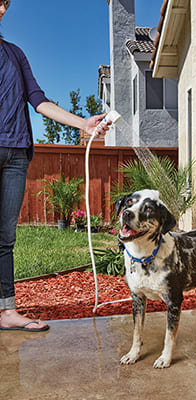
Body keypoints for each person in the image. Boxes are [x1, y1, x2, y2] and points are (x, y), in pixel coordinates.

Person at [0, 0, 110, 332]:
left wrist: (84, 124)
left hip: (15, 155)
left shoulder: (15, 55)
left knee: (4, 238)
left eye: (4, 3)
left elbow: (39, 100)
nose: (2, 9)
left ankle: (6, 311)